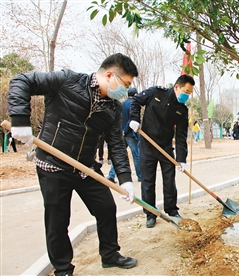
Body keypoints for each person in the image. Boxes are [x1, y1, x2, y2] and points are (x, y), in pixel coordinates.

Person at [8, 53, 139, 275]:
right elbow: (22, 81)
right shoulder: (67, 81)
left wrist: (125, 180)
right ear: (109, 75)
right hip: (53, 165)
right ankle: (63, 269)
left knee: (106, 207)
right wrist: (19, 119)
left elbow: (116, 144)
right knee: (58, 221)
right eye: (125, 84)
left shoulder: (113, 109)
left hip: (85, 168)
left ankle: (110, 254)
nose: (124, 91)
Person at [129, 75, 195, 228]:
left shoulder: (182, 110)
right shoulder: (156, 93)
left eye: (190, 93)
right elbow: (135, 101)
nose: (187, 95)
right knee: (147, 181)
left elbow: (181, 136)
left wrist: (181, 159)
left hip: (165, 148)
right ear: (177, 87)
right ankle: (150, 214)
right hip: (147, 145)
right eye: (185, 91)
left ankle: (172, 210)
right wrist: (134, 119)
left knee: (169, 180)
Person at [107, 88, 142, 183]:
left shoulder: (122, 104)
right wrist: (125, 131)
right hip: (130, 134)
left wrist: (121, 131)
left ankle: (111, 175)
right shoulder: (134, 105)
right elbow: (132, 120)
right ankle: (140, 176)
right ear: (135, 94)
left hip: (121, 133)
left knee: (119, 155)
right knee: (136, 155)